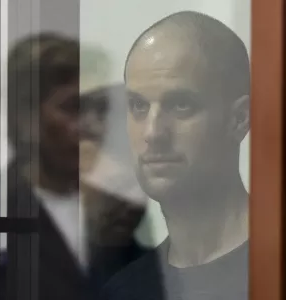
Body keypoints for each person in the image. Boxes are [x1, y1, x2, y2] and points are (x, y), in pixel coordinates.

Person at [0, 33, 146, 300]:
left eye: (99, 109)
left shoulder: (115, 203)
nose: (93, 126)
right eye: (73, 108)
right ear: (24, 117)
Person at [101, 11, 250, 300]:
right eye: (138, 106)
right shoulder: (124, 292)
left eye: (181, 105)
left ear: (239, 119)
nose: (153, 133)